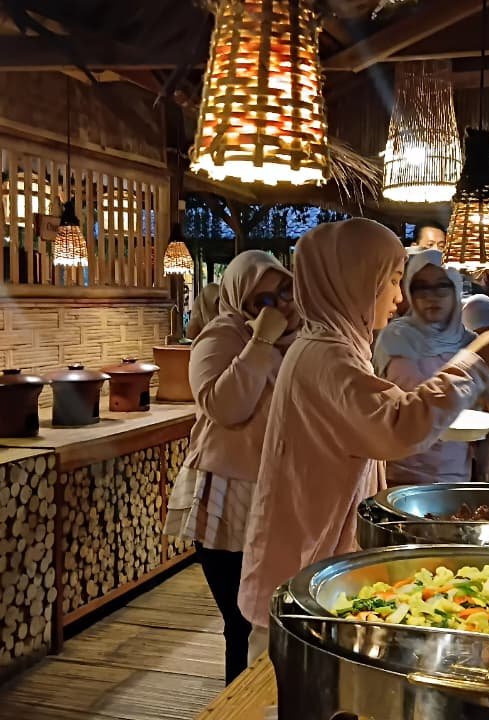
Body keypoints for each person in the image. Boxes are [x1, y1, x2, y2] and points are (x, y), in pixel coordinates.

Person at [237, 219, 489, 661]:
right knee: (276, 685)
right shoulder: (327, 356)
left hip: (307, 556)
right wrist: (473, 364)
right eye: (392, 280)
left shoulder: (333, 346)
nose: (399, 297)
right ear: (354, 282)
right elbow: (398, 426)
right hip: (299, 567)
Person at [165, 251, 298, 683]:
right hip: (228, 492)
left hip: (281, 491)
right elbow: (225, 407)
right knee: (241, 620)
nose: (282, 306)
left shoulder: (302, 341)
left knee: (278, 619)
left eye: (285, 291)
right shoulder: (222, 335)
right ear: (241, 301)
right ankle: (236, 704)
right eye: (265, 300)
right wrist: (260, 342)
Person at [372, 249, 477, 485]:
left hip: (455, 472)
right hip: (399, 471)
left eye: (442, 286)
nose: (431, 297)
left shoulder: (471, 343)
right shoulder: (396, 337)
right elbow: (411, 396)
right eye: (421, 287)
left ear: (456, 289)